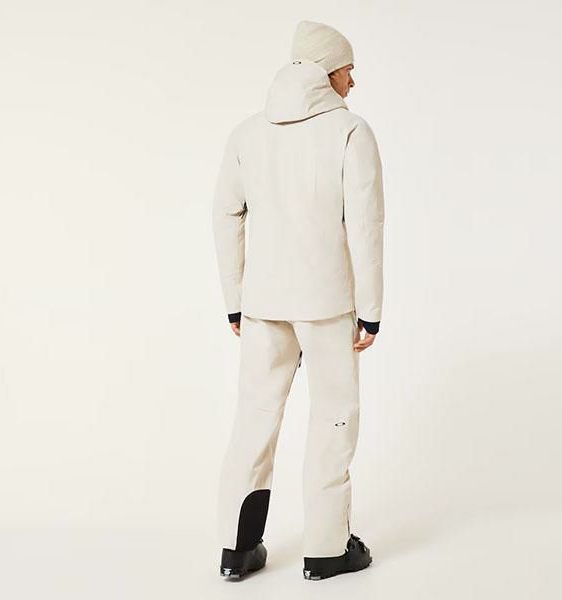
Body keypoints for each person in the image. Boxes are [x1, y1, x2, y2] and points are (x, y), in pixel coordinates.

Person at [212, 20, 384, 581]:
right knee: (334, 418)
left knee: (255, 418)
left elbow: (226, 215)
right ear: (326, 70)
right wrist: (371, 310)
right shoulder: (350, 131)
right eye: (348, 70)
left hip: (263, 304)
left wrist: (235, 300)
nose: (353, 81)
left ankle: (237, 550)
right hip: (328, 304)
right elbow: (366, 225)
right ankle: (328, 551)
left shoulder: (247, 133)